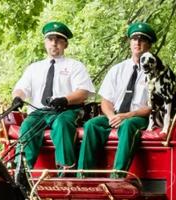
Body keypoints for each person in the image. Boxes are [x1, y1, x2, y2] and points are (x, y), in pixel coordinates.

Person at [13, 22, 95, 171]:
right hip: (39, 112)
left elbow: (83, 92)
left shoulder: (75, 66)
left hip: (66, 111)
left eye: (59, 40)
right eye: (50, 39)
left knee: (62, 124)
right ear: (45, 43)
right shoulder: (34, 68)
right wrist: (18, 98)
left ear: (66, 44)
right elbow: (21, 88)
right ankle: (21, 170)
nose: (54, 43)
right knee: (26, 126)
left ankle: (66, 168)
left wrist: (65, 100)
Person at [78, 22, 157, 177]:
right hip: (116, 115)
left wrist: (127, 115)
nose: (137, 42)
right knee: (92, 124)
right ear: (130, 42)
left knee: (128, 125)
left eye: (142, 39)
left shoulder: (156, 71)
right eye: (134, 38)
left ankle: (117, 175)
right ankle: (83, 175)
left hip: (140, 118)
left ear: (149, 45)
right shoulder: (117, 69)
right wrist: (112, 116)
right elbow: (106, 101)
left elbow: (152, 107)